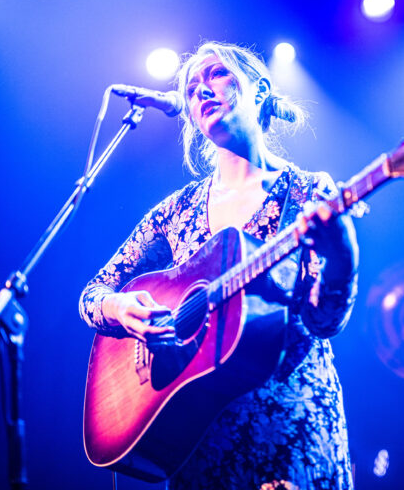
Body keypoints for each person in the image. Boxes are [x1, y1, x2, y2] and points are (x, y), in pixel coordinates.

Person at [79, 41, 359, 489]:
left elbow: (323, 321)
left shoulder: (306, 192)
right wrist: (121, 310)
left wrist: (343, 254)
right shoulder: (176, 210)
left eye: (215, 74)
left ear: (260, 88)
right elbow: (93, 295)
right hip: (198, 437)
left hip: (288, 426)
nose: (201, 90)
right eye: (191, 88)